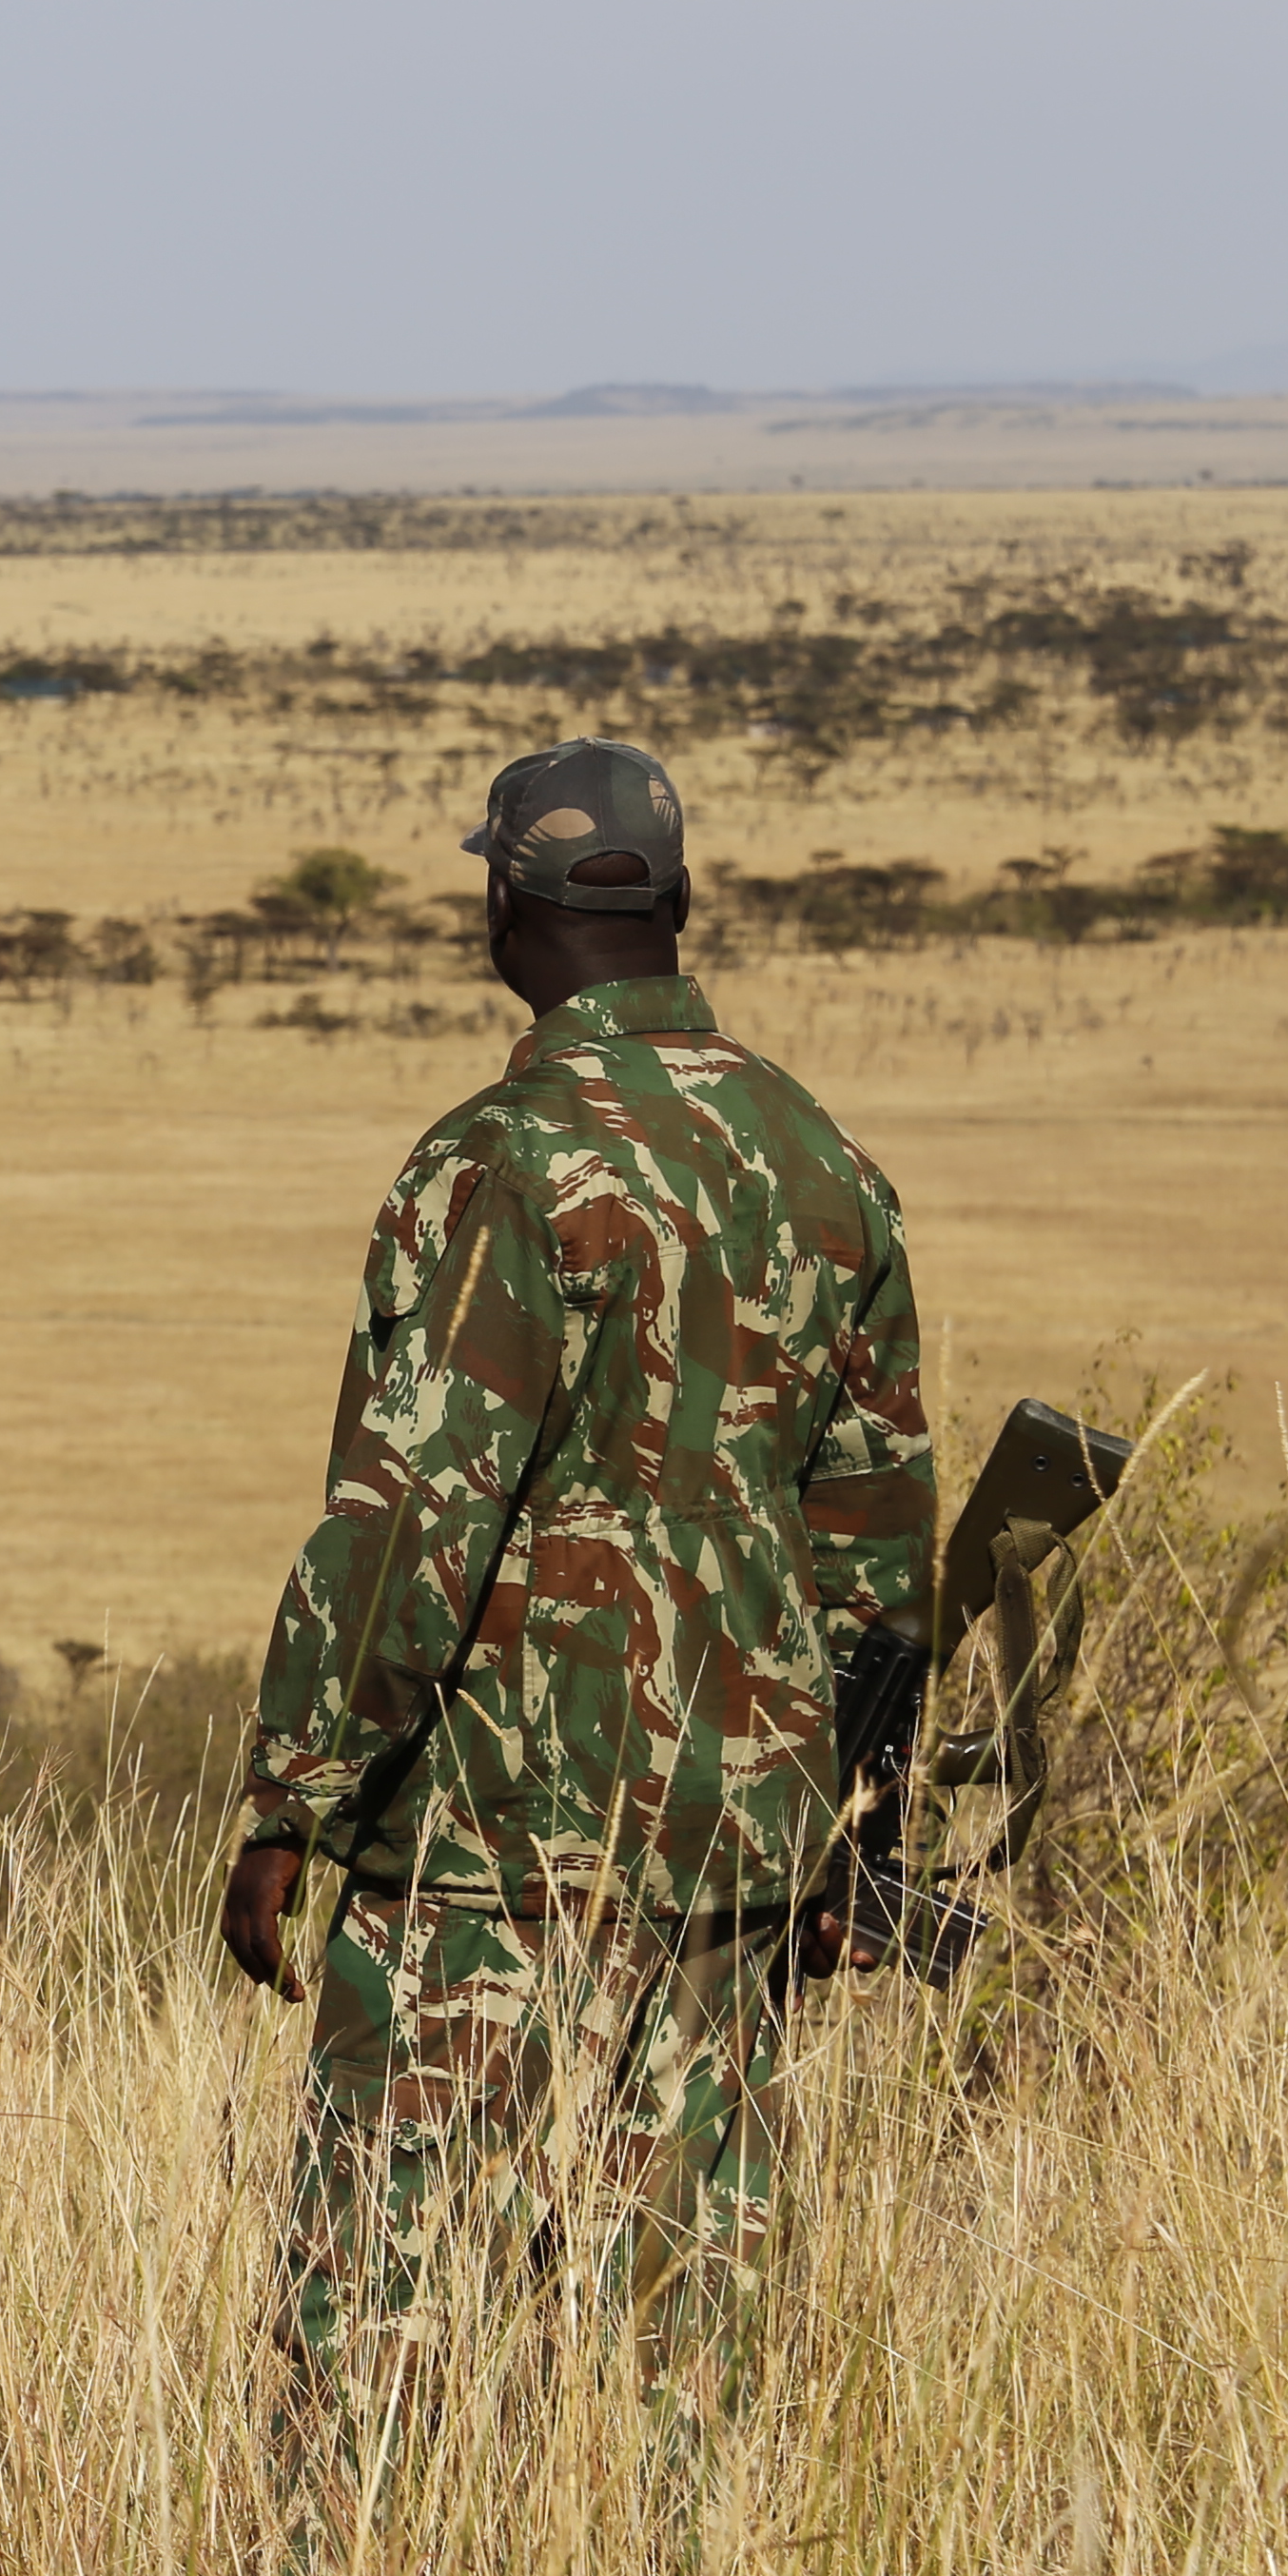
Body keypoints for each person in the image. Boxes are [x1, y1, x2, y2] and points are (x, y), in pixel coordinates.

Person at [222, 736, 932, 2476]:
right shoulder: (817, 1161)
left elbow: (412, 1521)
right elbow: (878, 1549)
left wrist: (297, 1793)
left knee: (373, 2320)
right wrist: (850, 1826)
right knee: (699, 2341)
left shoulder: (502, 1161)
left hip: (490, 1842)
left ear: (505, 912)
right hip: (739, 1845)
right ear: (677, 909)